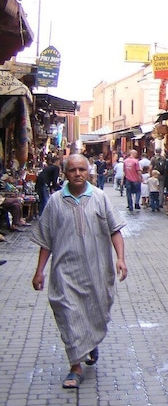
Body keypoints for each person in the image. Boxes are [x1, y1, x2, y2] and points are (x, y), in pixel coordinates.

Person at [30, 153, 127, 389]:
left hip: (97, 270)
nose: (77, 174)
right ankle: (75, 366)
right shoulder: (54, 201)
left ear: (89, 172)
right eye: (72, 170)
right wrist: (39, 271)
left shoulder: (100, 197)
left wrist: (121, 258)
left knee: (96, 311)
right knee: (67, 313)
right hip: (65, 272)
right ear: (65, 173)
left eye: (82, 170)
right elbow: (46, 240)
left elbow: (115, 230)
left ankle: (90, 342)